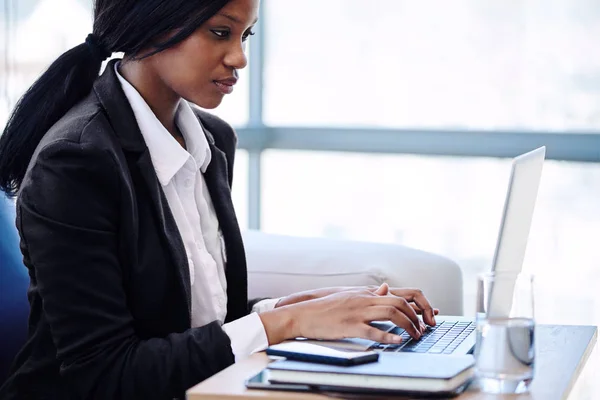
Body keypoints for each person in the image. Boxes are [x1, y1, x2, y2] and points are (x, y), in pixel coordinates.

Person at [0, 0, 439, 398]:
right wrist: (284, 325)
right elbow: (105, 373)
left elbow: (185, 321)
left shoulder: (212, 139)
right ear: (153, 24)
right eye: (220, 32)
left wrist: (294, 309)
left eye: (245, 35)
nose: (239, 58)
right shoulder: (75, 162)